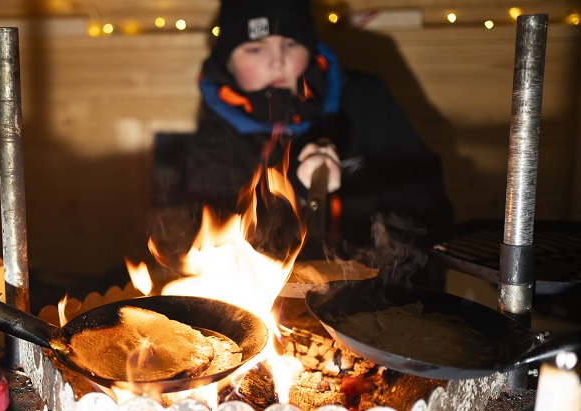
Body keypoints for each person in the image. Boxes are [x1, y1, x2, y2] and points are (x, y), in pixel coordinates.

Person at [182, 0, 453, 265]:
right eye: (255, 49)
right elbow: (218, 243)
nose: (277, 62)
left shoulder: (364, 97)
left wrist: (385, 259)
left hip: (380, 290)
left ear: (310, 49)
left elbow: (425, 197)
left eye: (290, 43)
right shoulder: (216, 135)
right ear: (228, 62)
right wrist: (296, 191)